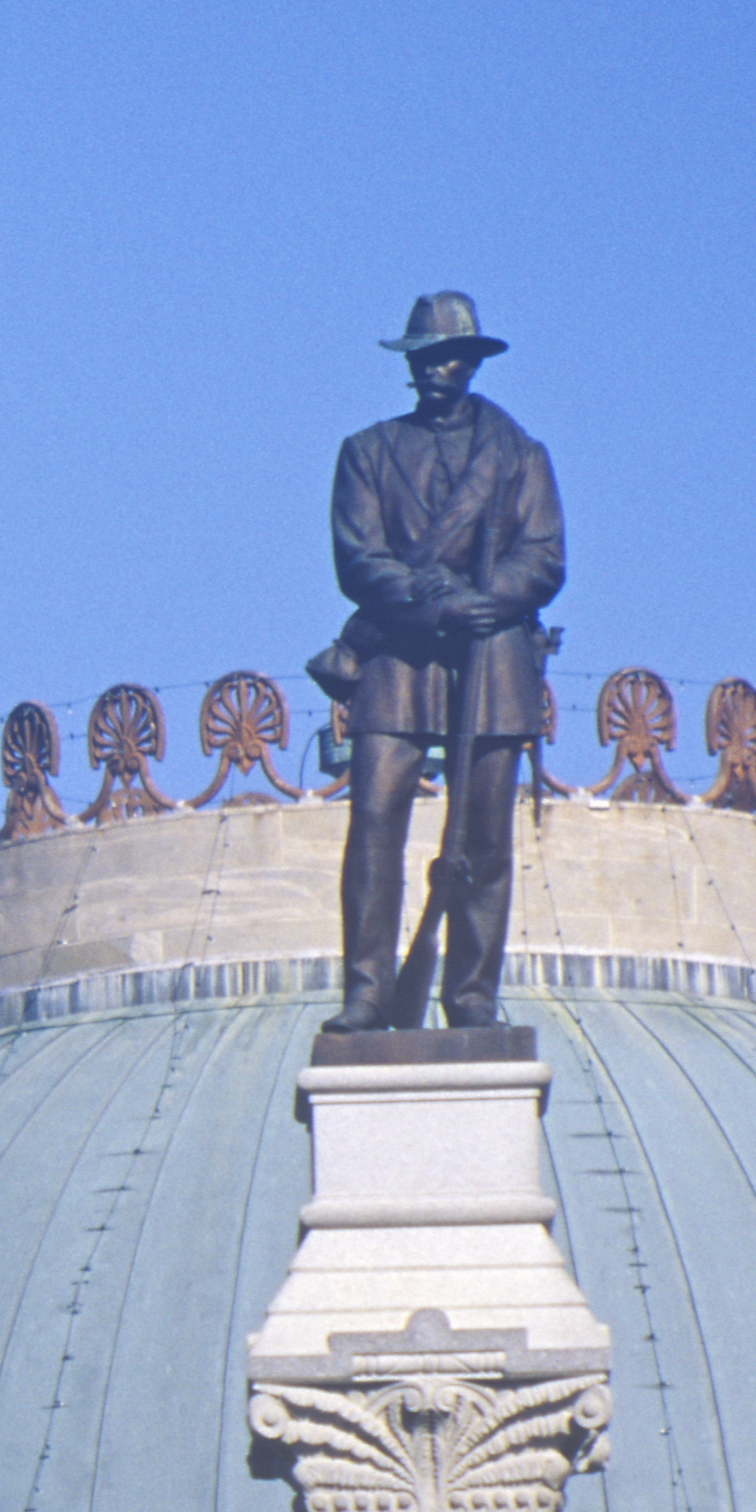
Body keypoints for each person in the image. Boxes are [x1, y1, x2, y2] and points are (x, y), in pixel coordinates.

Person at [314, 293, 567, 1032]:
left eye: (448, 355)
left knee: (484, 833)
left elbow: (543, 557)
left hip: (491, 654)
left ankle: (470, 994)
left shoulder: (518, 455)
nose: (435, 368)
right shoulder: (367, 451)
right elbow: (358, 561)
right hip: (400, 650)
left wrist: (482, 602)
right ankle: (365, 990)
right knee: (373, 820)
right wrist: (436, 604)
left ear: (473, 363)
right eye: (423, 356)